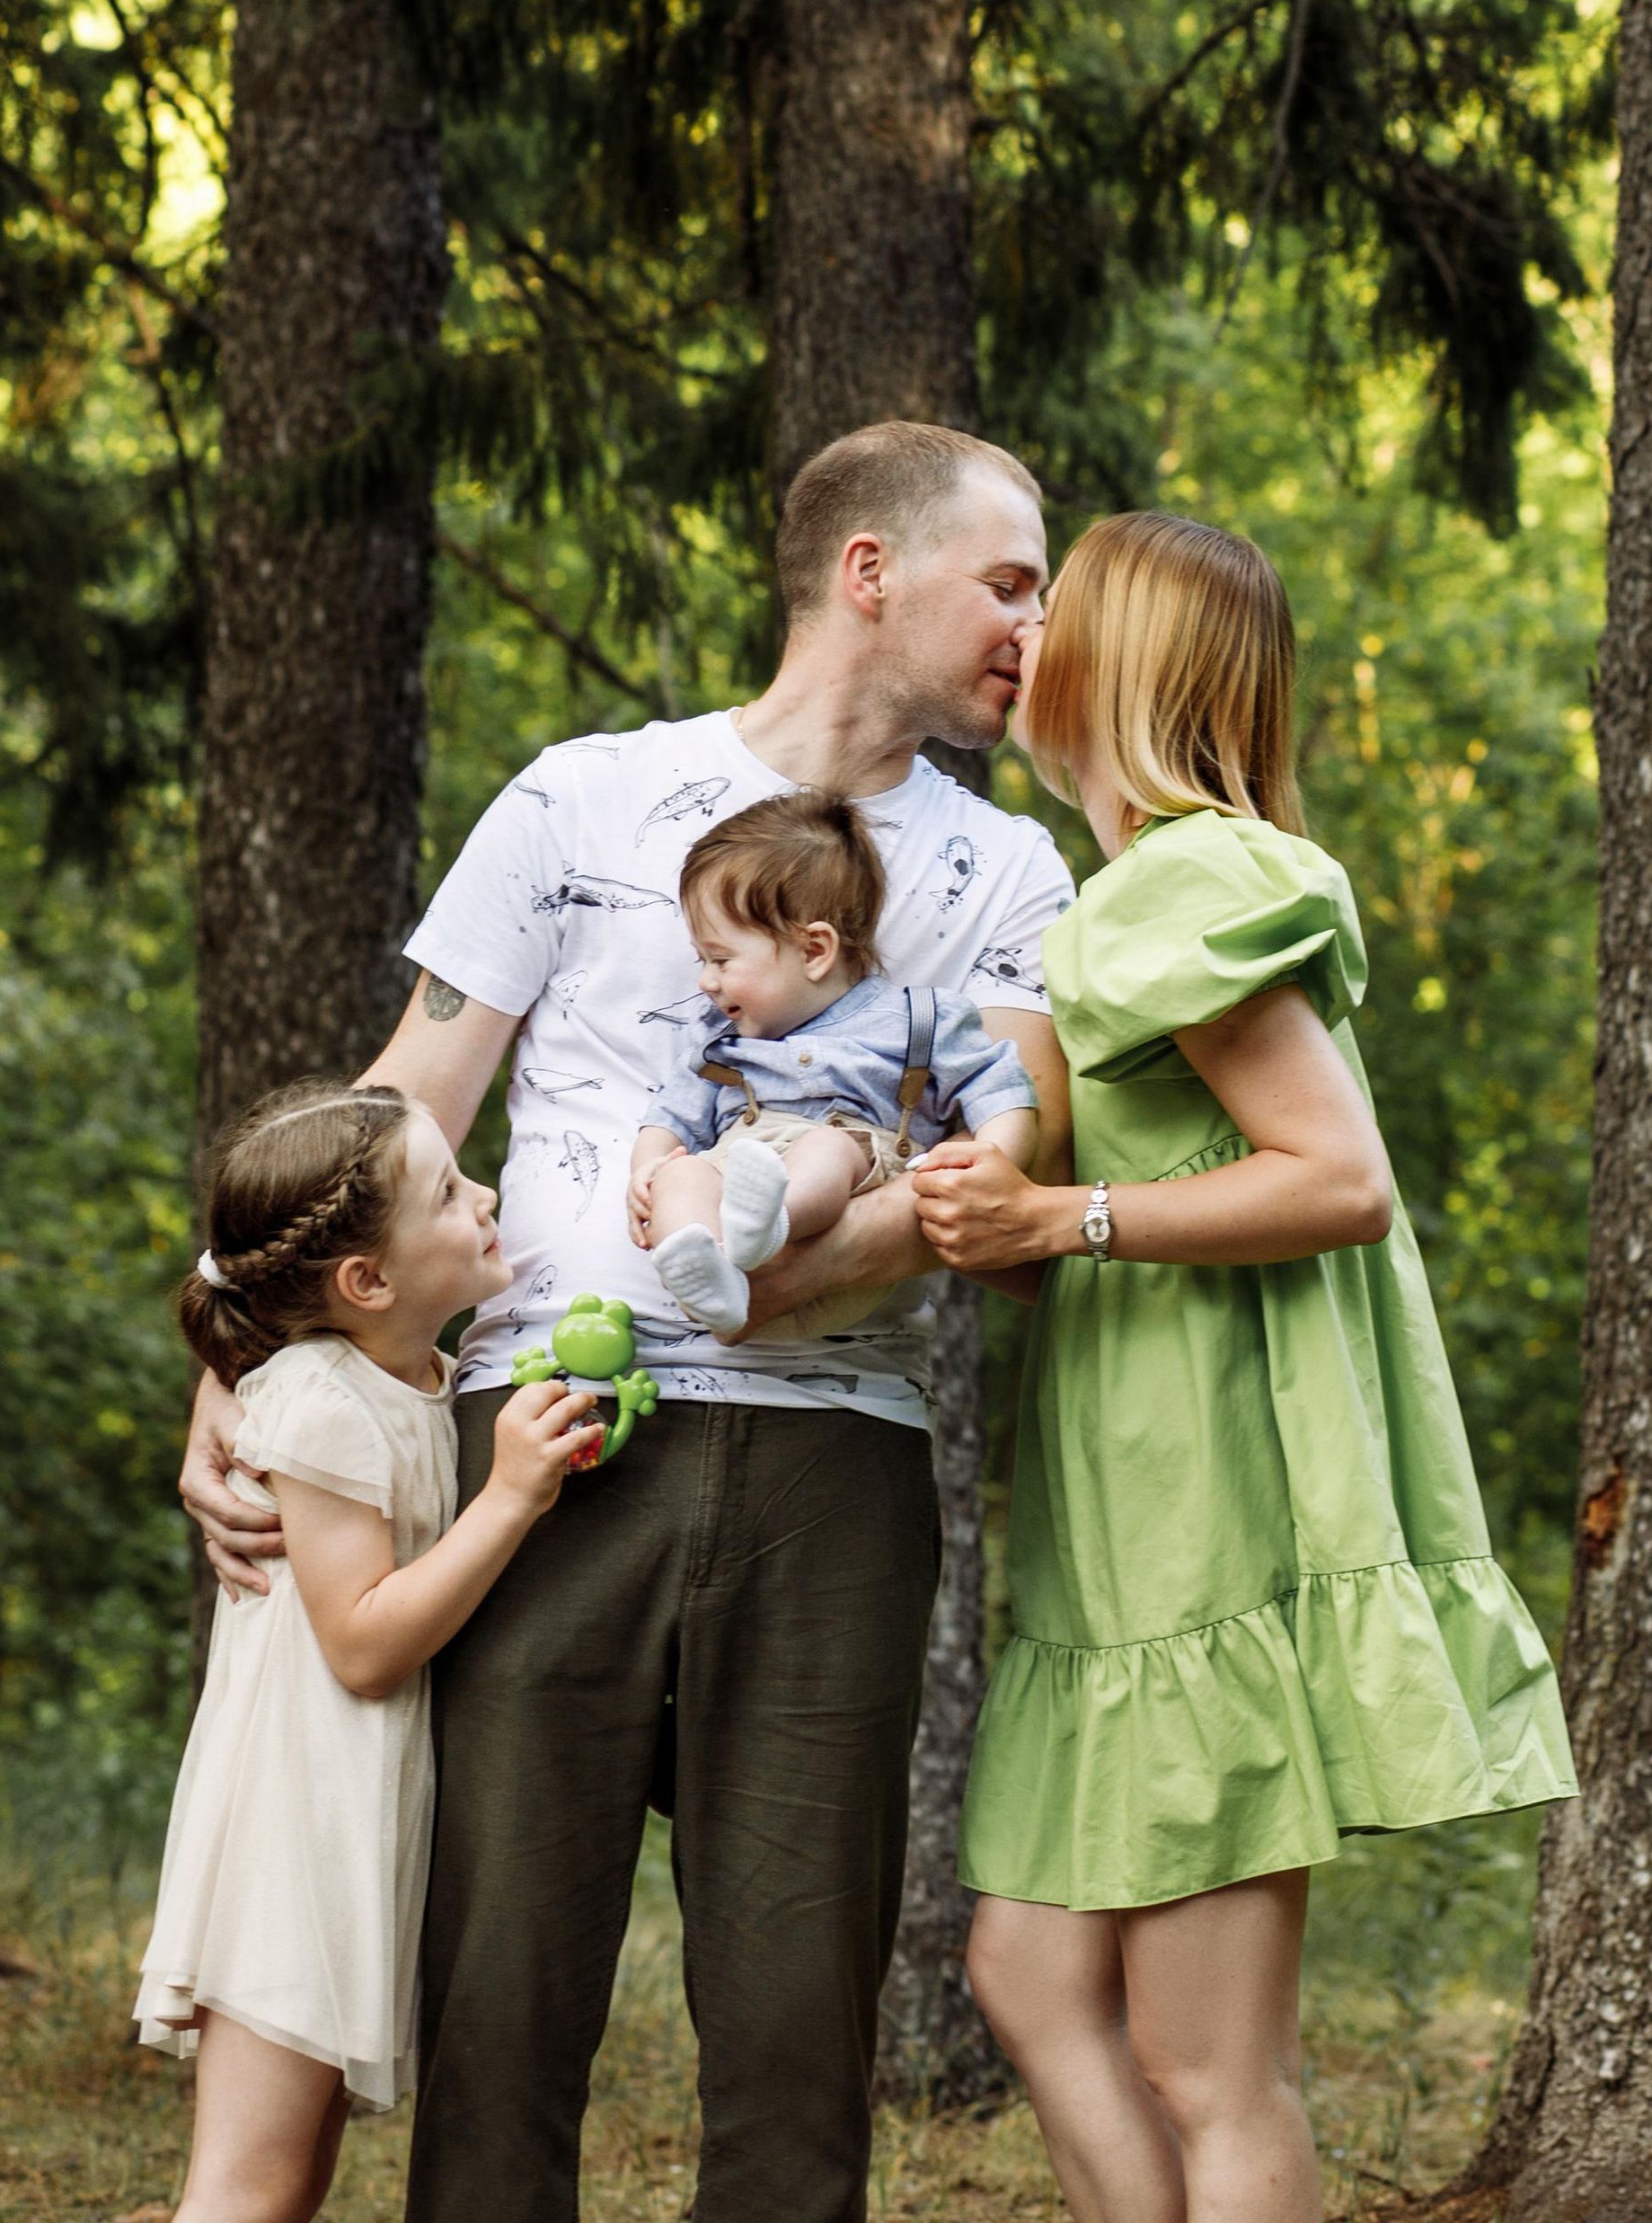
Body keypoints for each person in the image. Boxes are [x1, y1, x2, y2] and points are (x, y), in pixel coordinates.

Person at [176, 421, 1073, 2223]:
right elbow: (410, 1091)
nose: (1035, 631)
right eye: (1006, 582)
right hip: (537, 1455)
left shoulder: (1010, 878)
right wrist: (238, 1351)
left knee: (794, 2019)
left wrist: (762, 1264)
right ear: (865, 572)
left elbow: (1013, 1170)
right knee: (495, 1990)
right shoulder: (581, 799)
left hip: (835, 1470)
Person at [914, 512, 1577, 2223]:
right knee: (1034, 1982)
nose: (1026, 623)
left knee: (1215, 2065)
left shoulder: (1197, 882)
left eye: (1057, 603)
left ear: (1123, 661)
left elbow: (1337, 1180)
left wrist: (1067, 1225)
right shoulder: (1118, 904)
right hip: (1121, 1531)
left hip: (1211, 1520)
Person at [137, 1084, 601, 2223]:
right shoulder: (317, 1401)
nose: (486, 1194)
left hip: (348, 1810)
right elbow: (359, 1647)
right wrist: (512, 1498)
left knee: (288, 2181)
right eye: (449, 1190)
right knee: (251, 2188)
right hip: (292, 1827)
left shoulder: (406, 1380)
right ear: (370, 1282)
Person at [629, 787, 1041, 1338]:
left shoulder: (920, 1019)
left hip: (844, 1223)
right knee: (681, 1172)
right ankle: (708, 1273)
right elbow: (669, 1117)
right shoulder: (717, 1041)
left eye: (721, 959)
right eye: (702, 960)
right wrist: (647, 1173)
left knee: (826, 1146)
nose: (706, 980)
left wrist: (993, 1163)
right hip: (735, 1223)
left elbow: (1002, 1092)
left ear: (814, 950)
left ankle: (767, 1224)